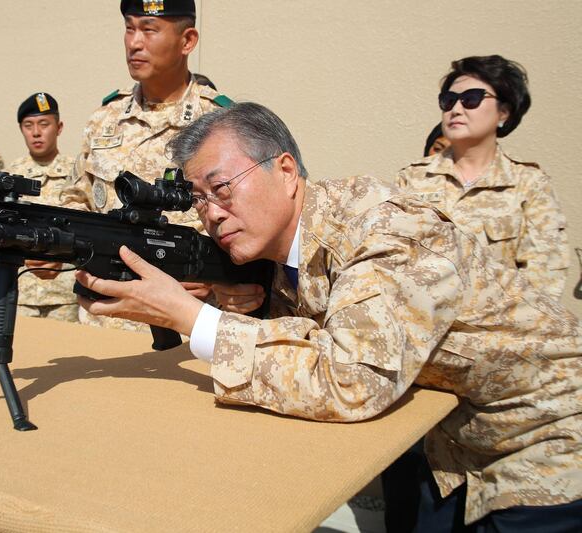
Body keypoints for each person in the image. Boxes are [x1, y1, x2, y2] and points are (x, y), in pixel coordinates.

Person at [75, 102, 582, 531]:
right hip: (444, 441)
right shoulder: (268, 255)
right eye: (199, 200)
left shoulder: (388, 231)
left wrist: (190, 318)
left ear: (287, 172)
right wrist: (217, 302)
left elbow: (348, 379)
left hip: (542, 442)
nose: (210, 213)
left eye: (222, 188)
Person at [59, 0, 232, 330]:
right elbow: (75, 198)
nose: (134, 42)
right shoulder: (104, 119)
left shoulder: (219, 122)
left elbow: (242, 220)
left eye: (149, 30)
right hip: (102, 322)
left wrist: (217, 276)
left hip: (181, 330)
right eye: (129, 28)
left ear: (188, 41)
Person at [397, 55, 569, 301]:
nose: (456, 109)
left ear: (504, 113)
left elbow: (543, 283)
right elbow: (395, 262)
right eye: (448, 101)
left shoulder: (529, 184)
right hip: (424, 326)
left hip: (502, 331)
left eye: (471, 99)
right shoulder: (412, 179)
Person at [9, 92, 78, 321]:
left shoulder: (77, 173)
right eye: (28, 125)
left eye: (44, 124)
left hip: (65, 295)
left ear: (59, 127)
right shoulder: (10, 176)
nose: (36, 132)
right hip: (20, 292)